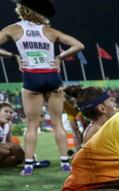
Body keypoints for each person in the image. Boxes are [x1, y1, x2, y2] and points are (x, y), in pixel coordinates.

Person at [0, 0, 84, 176]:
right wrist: (60, 57)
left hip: (31, 77)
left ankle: (28, 165)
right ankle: (65, 163)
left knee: (32, 125)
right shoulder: (49, 31)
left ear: (21, 11)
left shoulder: (14, 29)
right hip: (52, 76)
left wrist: (12, 56)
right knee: (58, 123)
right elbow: (79, 45)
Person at [30, 87, 119, 191]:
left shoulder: (110, 124)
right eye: (112, 102)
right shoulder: (95, 132)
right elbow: (83, 170)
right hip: (112, 185)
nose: (116, 105)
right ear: (102, 108)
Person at [0, 102, 24, 169]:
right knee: (15, 147)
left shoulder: (9, 125)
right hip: (3, 151)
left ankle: (28, 160)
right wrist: (7, 152)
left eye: (11, 113)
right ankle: (29, 162)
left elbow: (10, 143)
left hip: (3, 154)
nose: (9, 114)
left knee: (15, 159)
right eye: (6, 111)